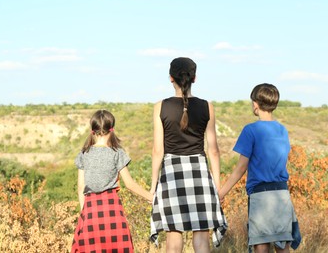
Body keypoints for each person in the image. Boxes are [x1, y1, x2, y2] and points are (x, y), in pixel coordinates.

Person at [150, 57, 227, 253]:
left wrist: (153, 187)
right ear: (194, 78)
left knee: (173, 240)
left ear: (171, 78)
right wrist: (217, 184)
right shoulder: (207, 106)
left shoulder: (160, 106)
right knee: (201, 238)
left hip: (171, 173)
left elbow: (158, 150)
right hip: (199, 172)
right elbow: (214, 150)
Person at [219, 83, 301, 253]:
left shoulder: (250, 130)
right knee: (283, 246)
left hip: (261, 196)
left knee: (261, 246)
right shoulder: (282, 130)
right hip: (281, 194)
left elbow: (241, 168)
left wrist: (221, 193)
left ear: (255, 104)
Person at [71, 109, 152, 253]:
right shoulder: (117, 153)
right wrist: (152, 197)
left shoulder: (84, 154)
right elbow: (130, 184)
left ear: (93, 130)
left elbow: (80, 187)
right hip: (112, 209)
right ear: (111, 129)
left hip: (90, 210)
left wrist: (84, 215)